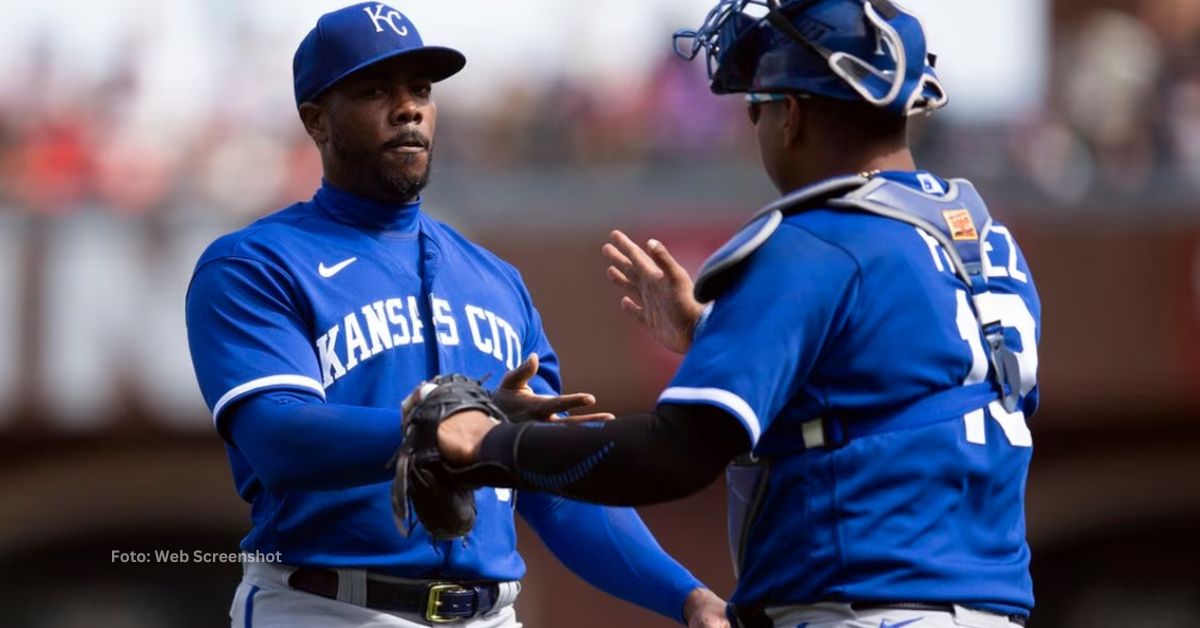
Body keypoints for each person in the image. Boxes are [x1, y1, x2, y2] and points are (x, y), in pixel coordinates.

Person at [427, 1, 1042, 627]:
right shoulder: (986, 244)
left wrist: (493, 444)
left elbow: (675, 456)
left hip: (864, 609)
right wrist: (711, 335)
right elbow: (893, 388)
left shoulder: (817, 241)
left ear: (792, 115)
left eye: (760, 106)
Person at [184, 3, 728, 627]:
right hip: (327, 606)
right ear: (316, 121)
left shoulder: (495, 280)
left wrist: (686, 596)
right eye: (374, 90)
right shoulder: (256, 262)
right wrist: (444, 431)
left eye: (420, 89)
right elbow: (279, 438)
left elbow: (556, 491)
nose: (407, 107)